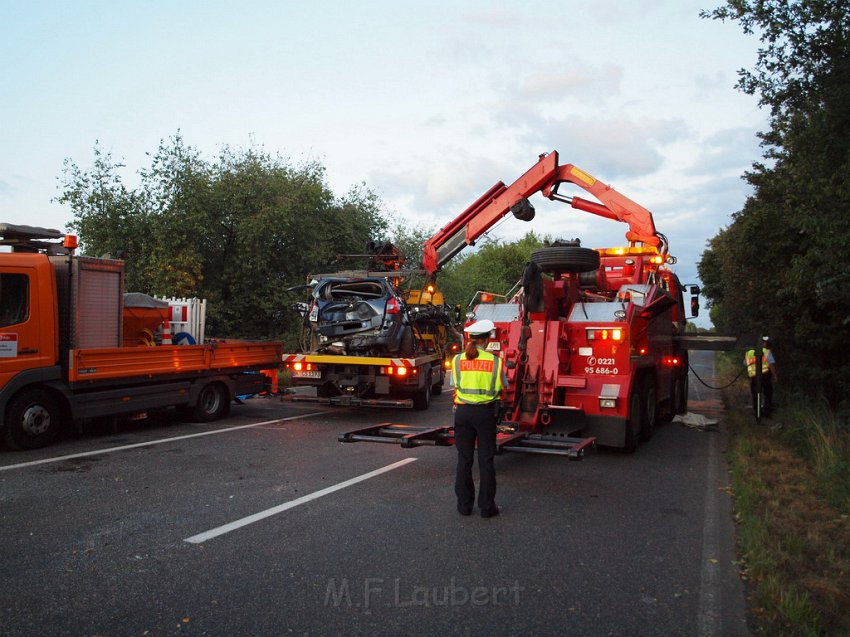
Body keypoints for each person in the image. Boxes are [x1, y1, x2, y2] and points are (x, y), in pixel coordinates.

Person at [451, 319, 508, 518]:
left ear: (470, 337)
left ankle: (464, 506)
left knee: (464, 459)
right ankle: (486, 506)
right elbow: (503, 386)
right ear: (487, 339)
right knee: (486, 459)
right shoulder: (495, 361)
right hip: (485, 414)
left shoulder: (457, 360)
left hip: (463, 413)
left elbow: (455, 383)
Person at [745, 336, 778, 416]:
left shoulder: (749, 352)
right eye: (765, 342)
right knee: (768, 393)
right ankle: (767, 412)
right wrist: (775, 376)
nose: (766, 344)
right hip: (765, 376)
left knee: (755, 394)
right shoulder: (767, 351)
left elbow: (745, 363)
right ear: (763, 343)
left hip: (754, 377)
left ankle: (757, 412)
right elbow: (771, 365)